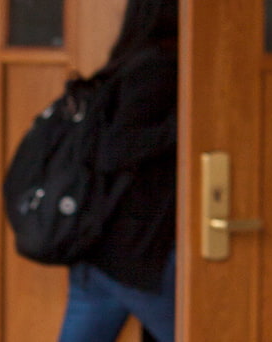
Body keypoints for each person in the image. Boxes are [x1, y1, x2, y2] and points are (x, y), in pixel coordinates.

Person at [57, 0, 178, 341]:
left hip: (98, 247)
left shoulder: (126, 61)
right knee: (208, 326)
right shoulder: (160, 66)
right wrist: (185, 128)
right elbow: (116, 149)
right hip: (136, 254)